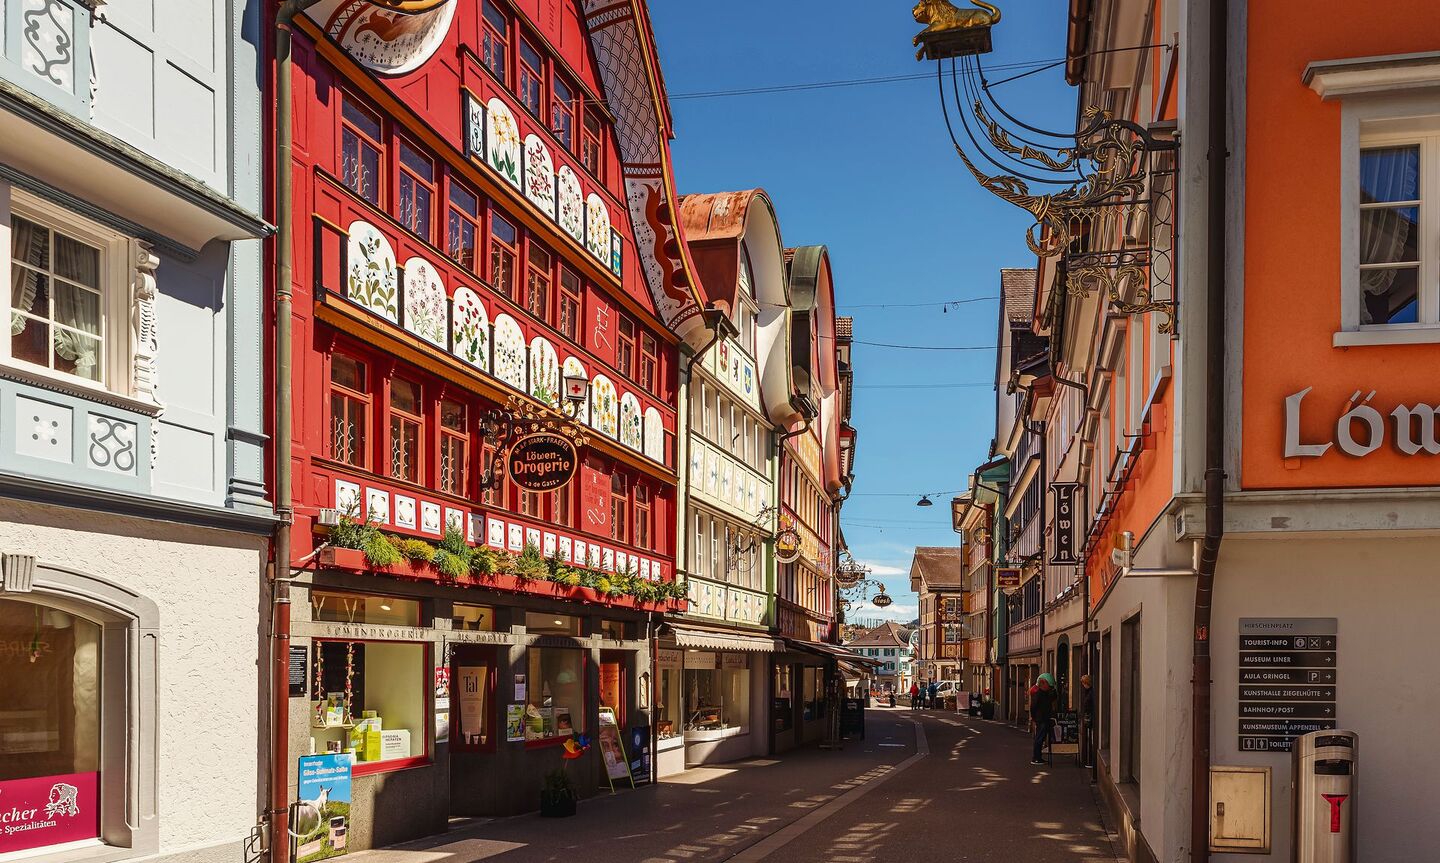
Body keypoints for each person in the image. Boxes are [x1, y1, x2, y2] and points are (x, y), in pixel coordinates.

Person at [1029, 672, 1058, 765]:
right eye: (1048, 685)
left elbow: (1052, 698)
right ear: (1043, 684)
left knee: (1041, 738)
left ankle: (1038, 757)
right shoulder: (1038, 694)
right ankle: (1036, 758)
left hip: (1044, 718)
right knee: (1039, 738)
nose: (1049, 687)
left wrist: (1054, 689)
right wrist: (1034, 717)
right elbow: (1033, 707)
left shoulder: (1044, 693)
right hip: (1041, 719)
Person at [1079, 674, 1095, 768]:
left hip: (1091, 717)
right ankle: (1090, 760)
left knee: (1092, 739)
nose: (1083, 685)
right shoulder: (1089, 691)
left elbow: (1088, 704)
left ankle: (1092, 761)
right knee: (1090, 738)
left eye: (1083, 683)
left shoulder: (1091, 692)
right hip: (1090, 716)